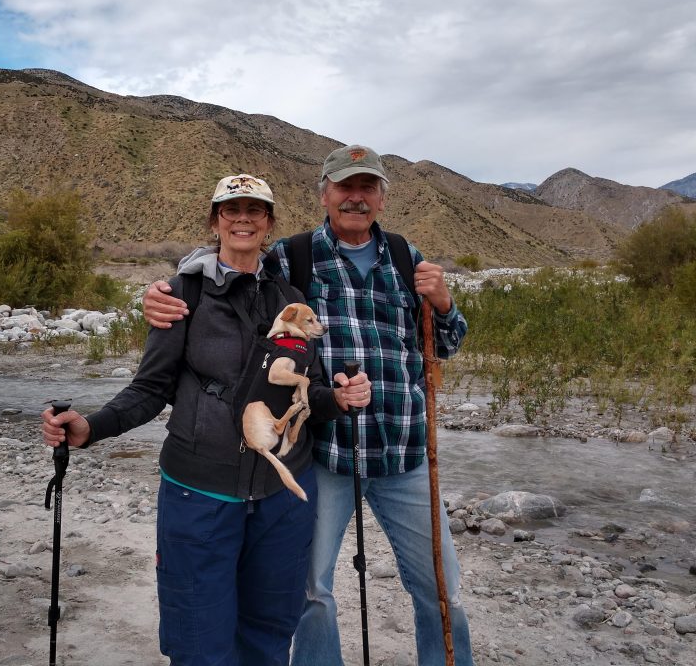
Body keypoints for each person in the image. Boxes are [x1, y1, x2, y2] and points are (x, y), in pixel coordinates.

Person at [143, 145, 474, 666]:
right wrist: (165, 289)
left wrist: (444, 304)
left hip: (404, 452)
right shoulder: (293, 256)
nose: (355, 198)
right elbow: (229, 263)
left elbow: (446, 346)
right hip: (323, 453)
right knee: (311, 593)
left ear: (382, 199)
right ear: (325, 193)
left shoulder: (409, 260)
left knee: (441, 588)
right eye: (345, 187)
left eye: (367, 188)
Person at [42, 174, 372, 666]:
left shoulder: (289, 297)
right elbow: (150, 389)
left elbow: (309, 392)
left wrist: (341, 399)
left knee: (270, 630)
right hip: (199, 493)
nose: (242, 219)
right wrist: (91, 427)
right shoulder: (182, 294)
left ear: (268, 225)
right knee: (199, 637)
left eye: (254, 211)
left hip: (284, 497)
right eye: (230, 210)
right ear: (215, 221)